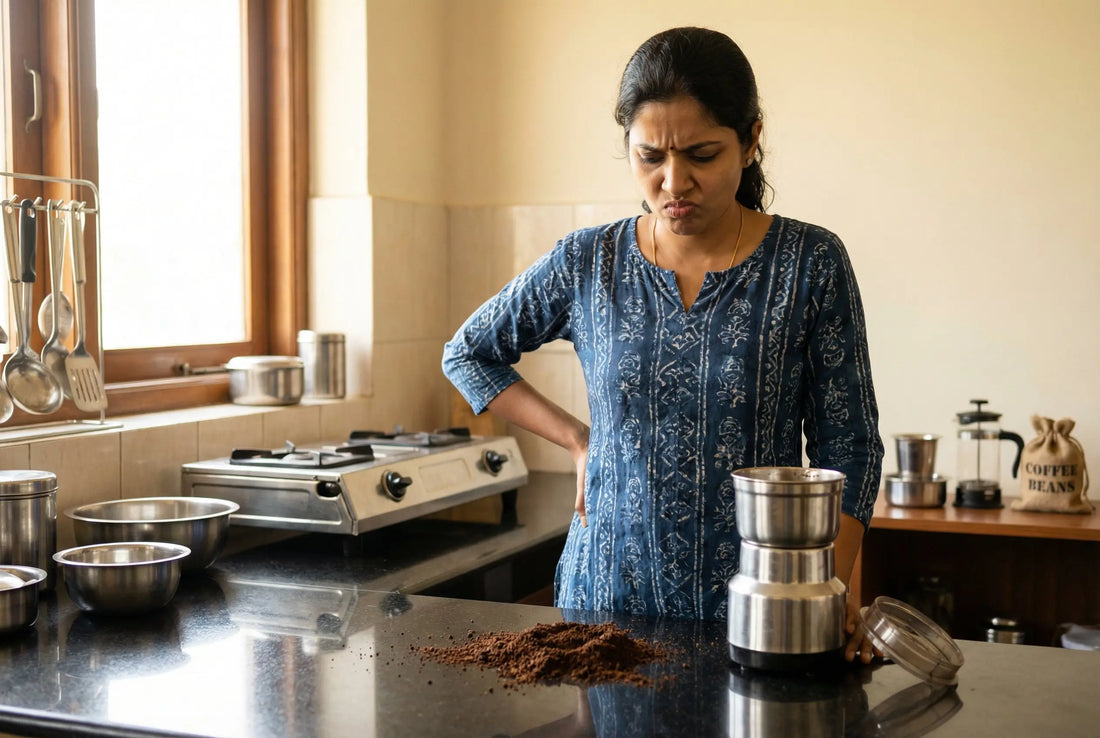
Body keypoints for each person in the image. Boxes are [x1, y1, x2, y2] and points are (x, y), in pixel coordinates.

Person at [443, 26, 883, 662]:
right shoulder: (588, 261)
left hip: (759, 616)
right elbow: (469, 352)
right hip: (604, 607)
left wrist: (826, 584)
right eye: (650, 157)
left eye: (702, 155)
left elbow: (851, 445)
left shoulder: (810, 263)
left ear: (752, 138)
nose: (674, 182)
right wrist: (577, 439)